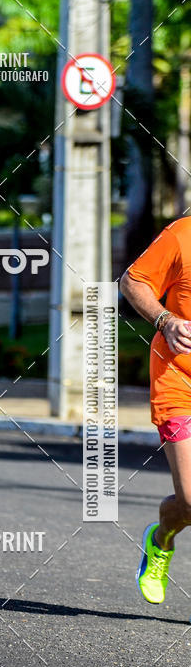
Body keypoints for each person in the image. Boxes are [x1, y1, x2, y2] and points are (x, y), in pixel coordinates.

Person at [121, 217, 191, 604]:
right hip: (178, 380)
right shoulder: (182, 235)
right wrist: (165, 320)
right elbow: (133, 281)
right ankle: (161, 539)